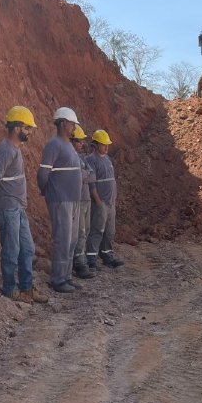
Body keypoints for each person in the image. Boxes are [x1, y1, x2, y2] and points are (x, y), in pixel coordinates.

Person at [0, 106, 48, 304]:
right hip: (7, 208)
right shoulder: (5, 151)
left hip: (17, 208)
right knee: (11, 250)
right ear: (17, 128)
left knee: (27, 248)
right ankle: (9, 288)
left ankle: (26, 288)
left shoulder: (14, 149)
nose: (31, 132)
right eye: (28, 128)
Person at [37, 107, 84, 294]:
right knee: (62, 239)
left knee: (71, 239)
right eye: (72, 124)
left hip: (73, 199)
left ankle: (66, 276)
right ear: (63, 123)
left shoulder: (68, 146)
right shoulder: (54, 144)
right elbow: (42, 173)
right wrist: (46, 190)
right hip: (60, 199)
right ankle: (57, 279)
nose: (74, 128)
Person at [85, 129, 124, 269]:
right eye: (103, 144)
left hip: (110, 203)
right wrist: (97, 201)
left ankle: (107, 257)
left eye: (107, 144)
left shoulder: (107, 159)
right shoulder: (90, 160)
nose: (106, 147)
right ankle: (91, 259)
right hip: (100, 203)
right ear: (95, 145)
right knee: (97, 230)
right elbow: (91, 183)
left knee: (109, 231)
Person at [70, 124, 97, 279]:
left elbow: (91, 176)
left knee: (85, 231)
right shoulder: (70, 158)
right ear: (72, 141)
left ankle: (82, 260)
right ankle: (79, 264)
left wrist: (84, 175)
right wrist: (84, 175)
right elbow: (78, 176)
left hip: (86, 199)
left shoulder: (80, 159)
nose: (82, 144)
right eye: (79, 141)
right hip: (78, 200)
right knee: (79, 232)